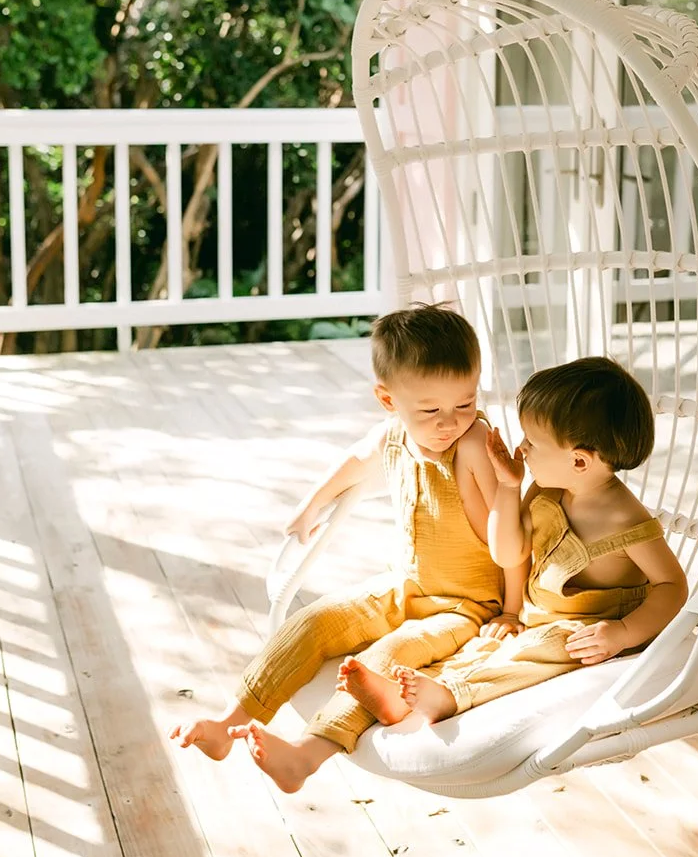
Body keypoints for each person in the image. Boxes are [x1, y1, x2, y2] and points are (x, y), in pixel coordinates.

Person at [169, 305, 525, 791]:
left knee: (386, 654)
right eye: (429, 410)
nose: (449, 422)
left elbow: (514, 535)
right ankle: (227, 725)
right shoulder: (394, 435)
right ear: (388, 400)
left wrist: (510, 610)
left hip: (464, 606)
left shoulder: (473, 445)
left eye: (465, 403)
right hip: (404, 584)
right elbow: (356, 461)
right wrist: (311, 505)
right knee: (314, 620)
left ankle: (307, 754)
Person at [338, 356, 689, 730]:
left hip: (591, 629)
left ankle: (452, 695)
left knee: (544, 651)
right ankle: (404, 692)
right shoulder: (550, 486)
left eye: (532, 442)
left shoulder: (625, 520)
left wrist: (623, 633)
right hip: (538, 616)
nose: (521, 449)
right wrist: (509, 486)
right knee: (487, 646)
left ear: (580, 462)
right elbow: (507, 552)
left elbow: (673, 586)